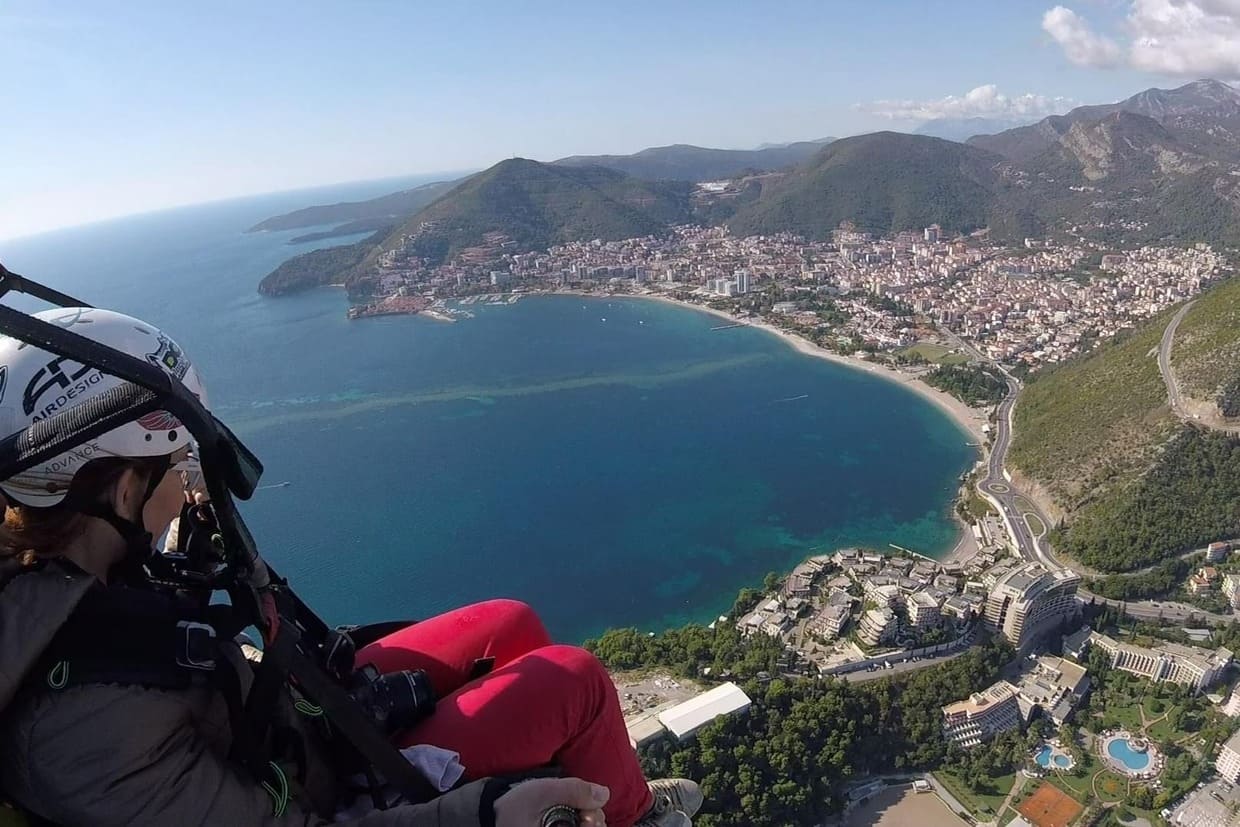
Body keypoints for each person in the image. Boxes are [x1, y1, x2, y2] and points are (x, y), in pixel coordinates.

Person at [0, 307, 703, 827]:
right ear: (123, 490)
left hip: (307, 720)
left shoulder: (75, 574)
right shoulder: (86, 734)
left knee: (512, 621)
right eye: (177, 466)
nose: (189, 481)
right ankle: (632, 812)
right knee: (577, 681)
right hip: (336, 792)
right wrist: (483, 813)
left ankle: (610, 778)